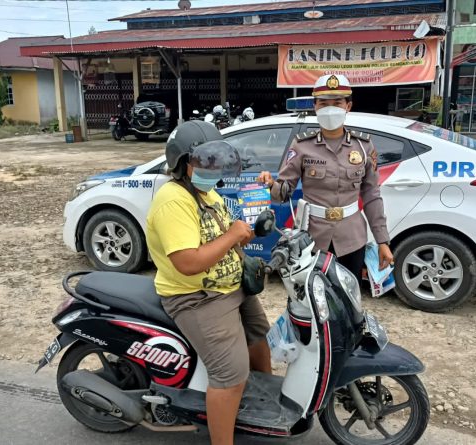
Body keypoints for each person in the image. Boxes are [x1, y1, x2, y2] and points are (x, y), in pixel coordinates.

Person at [146, 121, 271, 445]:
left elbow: (220, 236)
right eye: (204, 160)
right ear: (181, 164)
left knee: (259, 338)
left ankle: (259, 406)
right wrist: (231, 236)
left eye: (215, 159)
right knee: (230, 375)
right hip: (198, 297)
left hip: (231, 286)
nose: (212, 166)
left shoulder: (206, 192)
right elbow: (187, 262)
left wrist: (242, 233)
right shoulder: (174, 200)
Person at [257, 74, 393, 281]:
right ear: (315, 107)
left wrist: (383, 241)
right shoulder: (302, 145)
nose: (330, 109)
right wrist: (271, 184)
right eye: (323, 103)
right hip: (312, 239)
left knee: (349, 293)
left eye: (337, 103)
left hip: (351, 238)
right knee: (309, 293)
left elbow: (372, 196)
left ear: (348, 106)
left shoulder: (363, 146)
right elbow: (283, 194)